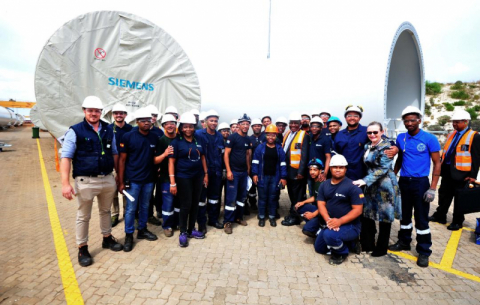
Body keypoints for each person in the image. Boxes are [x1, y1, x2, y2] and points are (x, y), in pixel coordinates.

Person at [61, 96, 123, 267]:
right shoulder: (75, 131)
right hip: (85, 181)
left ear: (101, 112)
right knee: (84, 216)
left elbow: (115, 153)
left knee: (105, 211)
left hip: (107, 178)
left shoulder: (109, 130)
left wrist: (118, 175)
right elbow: (66, 157)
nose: (94, 113)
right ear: (84, 111)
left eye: (97, 110)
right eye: (90, 110)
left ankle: (107, 238)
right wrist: (65, 183)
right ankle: (82, 247)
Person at [389, 106, 441, 268]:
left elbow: (437, 163)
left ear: (419, 120)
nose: (409, 123)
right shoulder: (401, 138)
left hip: (421, 183)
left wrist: (432, 188)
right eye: (406, 121)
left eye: (413, 120)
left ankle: (424, 251)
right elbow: (399, 159)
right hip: (404, 181)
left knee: (421, 218)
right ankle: (404, 242)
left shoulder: (429, 138)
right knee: (404, 216)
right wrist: (392, 176)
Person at [352, 122, 401, 256]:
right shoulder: (368, 146)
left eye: (375, 132)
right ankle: (368, 244)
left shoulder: (386, 146)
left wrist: (364, 180)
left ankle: (381, 248)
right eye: (369, 133)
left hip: (385, 185)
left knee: (384, 218)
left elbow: (383, 169)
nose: (372, 135)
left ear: (382, 132)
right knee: (369, 214)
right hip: (371, 185)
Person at [429, 110, 480, 230]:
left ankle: (457, 221)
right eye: (453, 122)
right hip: (447, 170)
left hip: (462, 173)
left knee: (460, 198)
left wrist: (473, 176)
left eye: (457, 122)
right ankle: (440, 215)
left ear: (465, 122)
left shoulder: (474, 136)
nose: (454, 124)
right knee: (444, 195)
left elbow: (477, 158)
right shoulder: (451, 135)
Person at [118, 108, 160, 252]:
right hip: (133, 180)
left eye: (148, 120)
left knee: (145, 206)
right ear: (137, 122)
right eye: (143, 121)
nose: (146, 123)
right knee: (130, 209)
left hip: (149, 179)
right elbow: (122, 161)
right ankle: (129, 235)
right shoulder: (128, 137)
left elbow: (155, 158)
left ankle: (142, 230)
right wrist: (121, 181)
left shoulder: (154, 137)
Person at [314, 154, 365, 265]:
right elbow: (321, 204)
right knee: (319, 248)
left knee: (329, 236)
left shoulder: (353, 187)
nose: (338, 170)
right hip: (331, 222)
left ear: (345, 169)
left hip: (350, 226)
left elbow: (358, 210)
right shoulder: (324, 185)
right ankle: (349, 243)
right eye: (335, 167)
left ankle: (342, 252)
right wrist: (328, 220)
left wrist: (339, 221)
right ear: (330, 168)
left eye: (341, 167)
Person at [168, 112, 208, 247]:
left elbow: (202, 157)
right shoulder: (176, 142)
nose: (188, 129)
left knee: (195, 203)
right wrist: (172, 182)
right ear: (181, 128)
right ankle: (183, 232)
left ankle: (191, 230)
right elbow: (171, 163)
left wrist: (206, 174)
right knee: (186, 205)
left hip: (198, 176)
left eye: (191, 126)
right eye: (185, 127)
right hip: (183, 177)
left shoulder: (198, 140)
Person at [334, 105, 397, 181]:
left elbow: (385, 140)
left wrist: (395, 148)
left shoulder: (367, 131)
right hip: (344, 174)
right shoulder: (339, 135)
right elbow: (335, 153)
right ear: (345, 118)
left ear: (360, 118)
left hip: (362, 174)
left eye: (355, 116)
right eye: (349, 115)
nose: (352, 118)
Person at [195, 110, 225, 232]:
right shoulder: (198, 134)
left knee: (214, 198)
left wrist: (222, 170)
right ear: (206, 121)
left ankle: (213, 219)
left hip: (216, 172)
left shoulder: (219, 136)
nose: (213, 123)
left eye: (215, 121)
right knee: (201, 199)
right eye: (211, 120)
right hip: (203, 172)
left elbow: (221, 155)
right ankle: (201, 222)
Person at [252, 124, 287, 227]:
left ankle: (272, 217)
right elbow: (255, 161)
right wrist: (254, 174)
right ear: (265, 135)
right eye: (268, 135)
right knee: (262, 198)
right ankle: (261, 217)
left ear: (276, 136)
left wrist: (283, 177)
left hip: (275, 178)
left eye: (273, 135)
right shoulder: (260, 147)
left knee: (273, 198)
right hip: (263, 177)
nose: (270, 137)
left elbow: (283, 163)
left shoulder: (279, 149)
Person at [223, 114, 252, 234]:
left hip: (243, 173)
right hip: (233, 172)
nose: (245, 126)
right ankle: (228, 222)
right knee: (231, 198)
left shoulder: (248, 139)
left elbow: (247, 155)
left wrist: (248, 170)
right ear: (239, 125)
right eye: (243, 124)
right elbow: (226, 154)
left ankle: (239, 217)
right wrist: (229, 171)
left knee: (242, 197)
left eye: (247, 124)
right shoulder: (232, 137)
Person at [281, 112, 310, 226]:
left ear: (299, 124)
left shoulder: (304, 135)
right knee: (292, 194)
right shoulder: (288, 133)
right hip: (288, 170)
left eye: (296, 123)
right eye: (291, 123)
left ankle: (296, 217)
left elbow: (304, 155)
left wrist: (301, 172)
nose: (293, 125)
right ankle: (293, 212)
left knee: (298, 195)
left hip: (297, 172)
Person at [153, 114, 178, 237]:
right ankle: (167, 226)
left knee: (178, 202)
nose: (169, 125)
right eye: (166, 123)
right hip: (165, 177)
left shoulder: (179, 138)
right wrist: (165, 154)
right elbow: (155, 160)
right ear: (163, 126)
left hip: (180, 177)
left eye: (172, 123)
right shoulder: (161, 141)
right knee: (168, 202)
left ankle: (176, 223)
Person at [109, 103, 133, 227]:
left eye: (121, 113)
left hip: (127, 165)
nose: (119, 115)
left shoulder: (131, 129)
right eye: (116, 113)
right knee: (113, 190)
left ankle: (126, 212)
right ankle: (115, 214)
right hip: (112, 165)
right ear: (113, 115)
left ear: (125, 114)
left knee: (125, 189)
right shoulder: (108, 129)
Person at [294, 159, 326, 237]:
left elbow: (327, 205)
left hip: (323, 213)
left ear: (320, 170)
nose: (312, 172)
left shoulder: (323, 184)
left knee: (306, 230)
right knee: (297, 207)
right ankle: (313, 223)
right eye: (310, 169)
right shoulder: (316, 181)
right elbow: (315, 197)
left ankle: (320, 230)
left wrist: (313, 214)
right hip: (317, 209)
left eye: (315, 170)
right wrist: (303, 202)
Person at [144, 104, 164, 227]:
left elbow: (162, 149)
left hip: (157, 166)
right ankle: (147, 215)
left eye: (155, 116)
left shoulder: (159, 132)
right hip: (145, 168)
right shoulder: (138, 131)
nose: (153, 118)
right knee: (147, 193)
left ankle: (157, 212)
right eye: (151, 115)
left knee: (158, 191)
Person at [308, 117, 331, 195]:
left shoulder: (325, 139)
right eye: (312, 126)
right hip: (310, 172)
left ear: (321, 128)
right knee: (312, 194)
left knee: (321, 195)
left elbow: (328, 157)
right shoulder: (309, 138)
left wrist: (325, 173)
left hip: (320, 174)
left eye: (317, 126)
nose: (314, 128)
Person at [245, 118, 264, 214]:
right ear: (252, 127)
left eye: (259, 125)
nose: (257, 127)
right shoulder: (249, 139)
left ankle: (263, 205)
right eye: (255, 126)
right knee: (252, 188)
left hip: (264, 168)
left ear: (261, 127)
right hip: (252, 167)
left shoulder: (265, 137)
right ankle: (252, 203)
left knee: (262, 187)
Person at [218, 122, 231, 209]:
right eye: (223, 131)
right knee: (217, 192)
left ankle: (227, 211)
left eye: (227, 131)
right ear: (219, 132)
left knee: (228, 192)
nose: (226, 132)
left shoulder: (230, 142)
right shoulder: (217, 142)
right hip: (218, 171)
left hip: (228, 171)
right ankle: (216, 211)